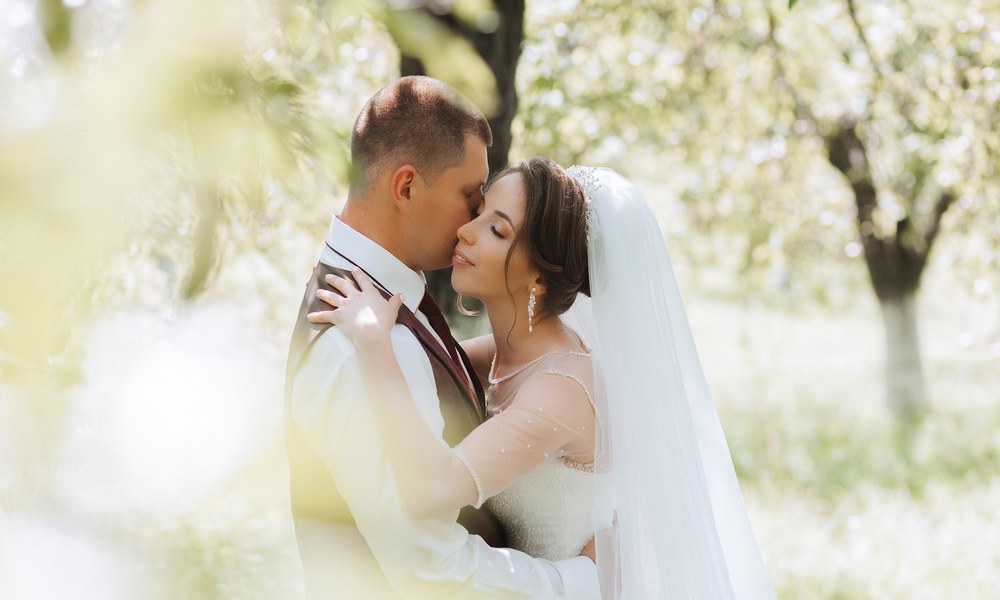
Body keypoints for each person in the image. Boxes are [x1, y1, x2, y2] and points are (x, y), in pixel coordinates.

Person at [311, 158, 778, 598]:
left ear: (537, 277)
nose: (465, 232)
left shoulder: (561, 388)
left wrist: (374, 341)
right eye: (477, 212)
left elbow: (433, 487)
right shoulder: (506, 354)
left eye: (496, 229)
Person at [284, 77, 601, 599]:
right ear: (406, 187)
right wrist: (579, 581)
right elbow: (430, 568)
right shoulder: (361, 336)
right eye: (469, 197)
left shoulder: (388, 313)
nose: (470, 223)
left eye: (493, 220)